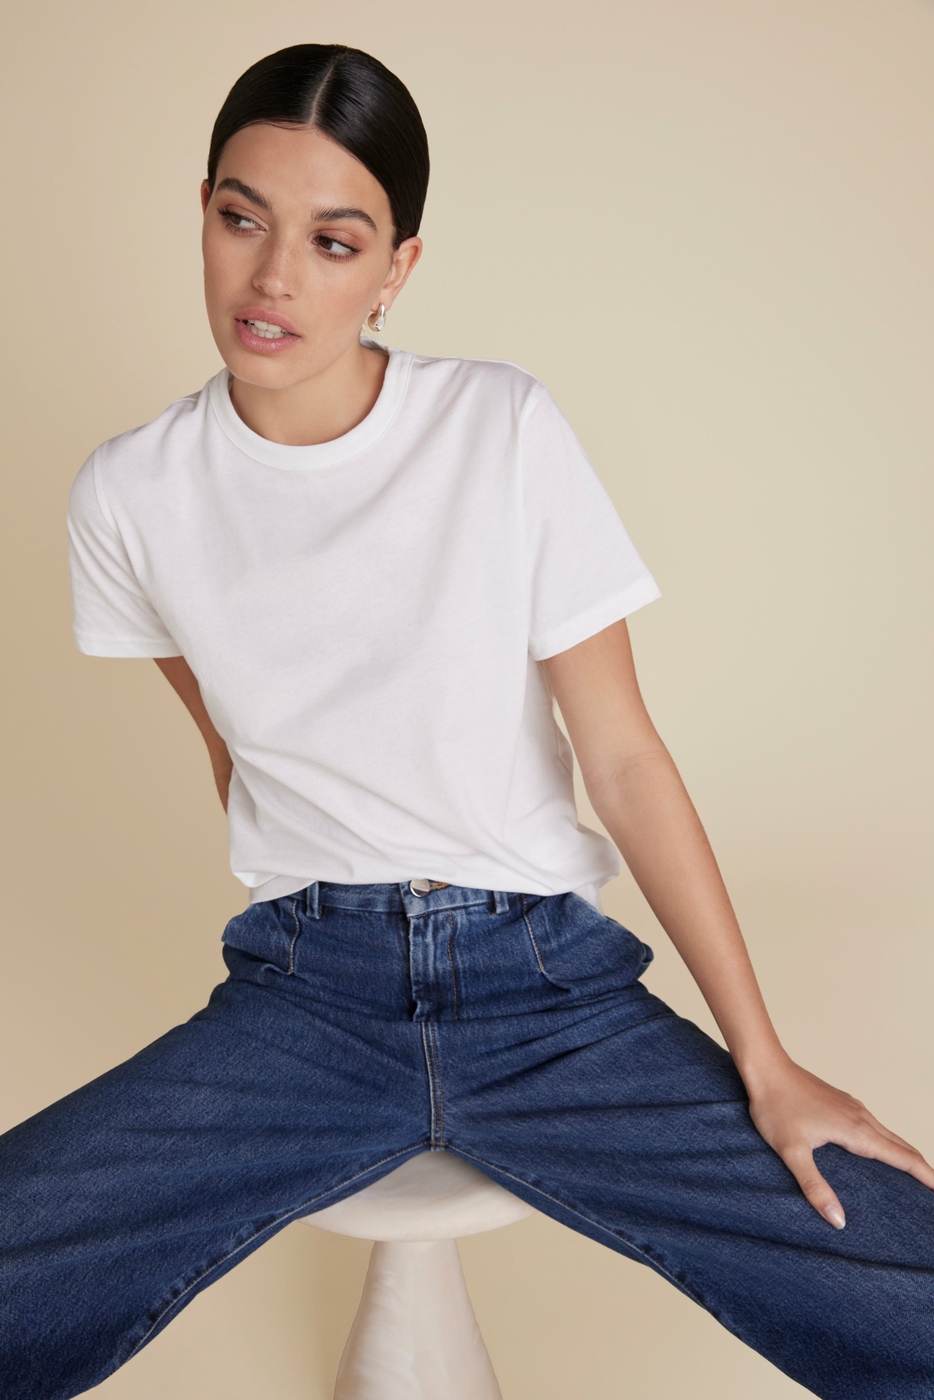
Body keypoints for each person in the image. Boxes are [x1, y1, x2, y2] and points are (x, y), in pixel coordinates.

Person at [0, 42, 931, 1400]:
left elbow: (624, 758)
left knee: (909, 1293)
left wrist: (766, 1060)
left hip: (548, 993)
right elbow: (239, 755)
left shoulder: (497, 426)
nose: (273, 278)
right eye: (243, 219)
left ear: (396, 267)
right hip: (306, 1003)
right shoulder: (129, 496)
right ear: (201, 213)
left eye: (334, 242)